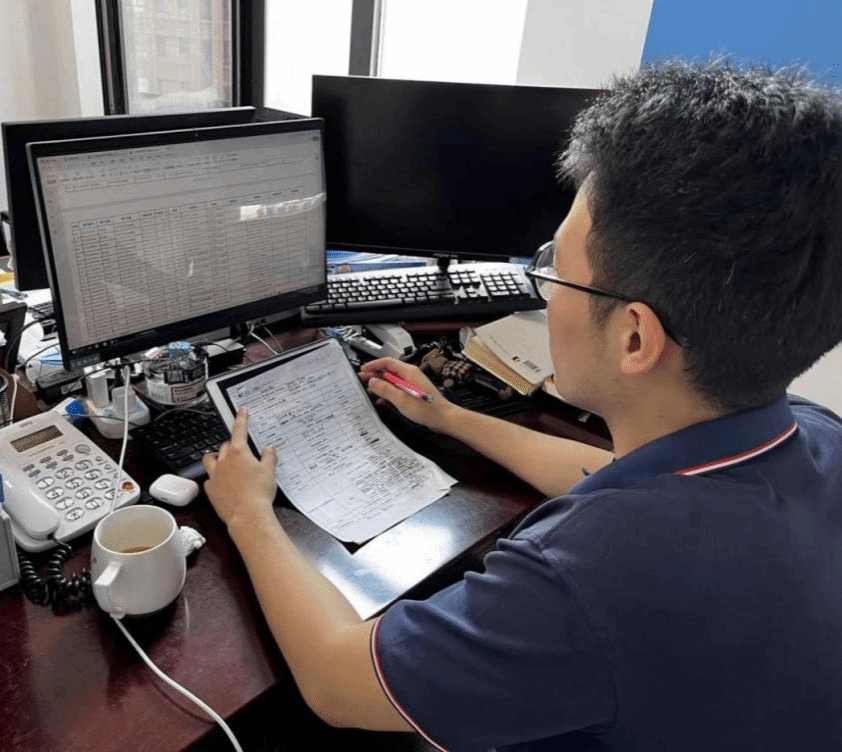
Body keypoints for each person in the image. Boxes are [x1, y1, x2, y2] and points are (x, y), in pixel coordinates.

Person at [202, 60, 842, 751]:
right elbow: (608, 478)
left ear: (634, 338)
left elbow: (336, 680)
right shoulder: (814, 434)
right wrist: (450, 417)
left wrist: (247, 512)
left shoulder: (589, 577)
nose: (546, 288)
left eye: (557, 269)